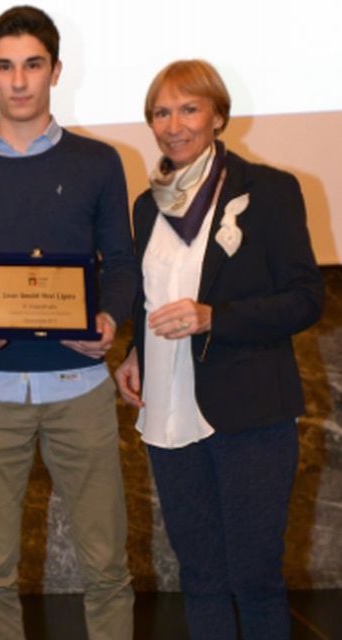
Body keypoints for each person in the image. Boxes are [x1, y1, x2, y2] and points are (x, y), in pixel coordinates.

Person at [0, 6, 138, 639]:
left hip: (80, 392)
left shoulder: (97, 162)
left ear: (56, 71)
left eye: (32, 65)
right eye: (5, 66)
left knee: (106, 566)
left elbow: (121, 264)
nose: (19, 80)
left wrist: (107, 318)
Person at [114, 59, 324, 640]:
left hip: (249, 411)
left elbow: (306, 299)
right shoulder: (145, 206)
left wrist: (215, 318)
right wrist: (134, 352)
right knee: (200, 576)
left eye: (189, 108)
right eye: (161, 112)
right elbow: (150, 293)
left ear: (218, 116)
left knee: (254, 577)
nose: (173, 124)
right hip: (168, 411)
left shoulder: (271, 190)